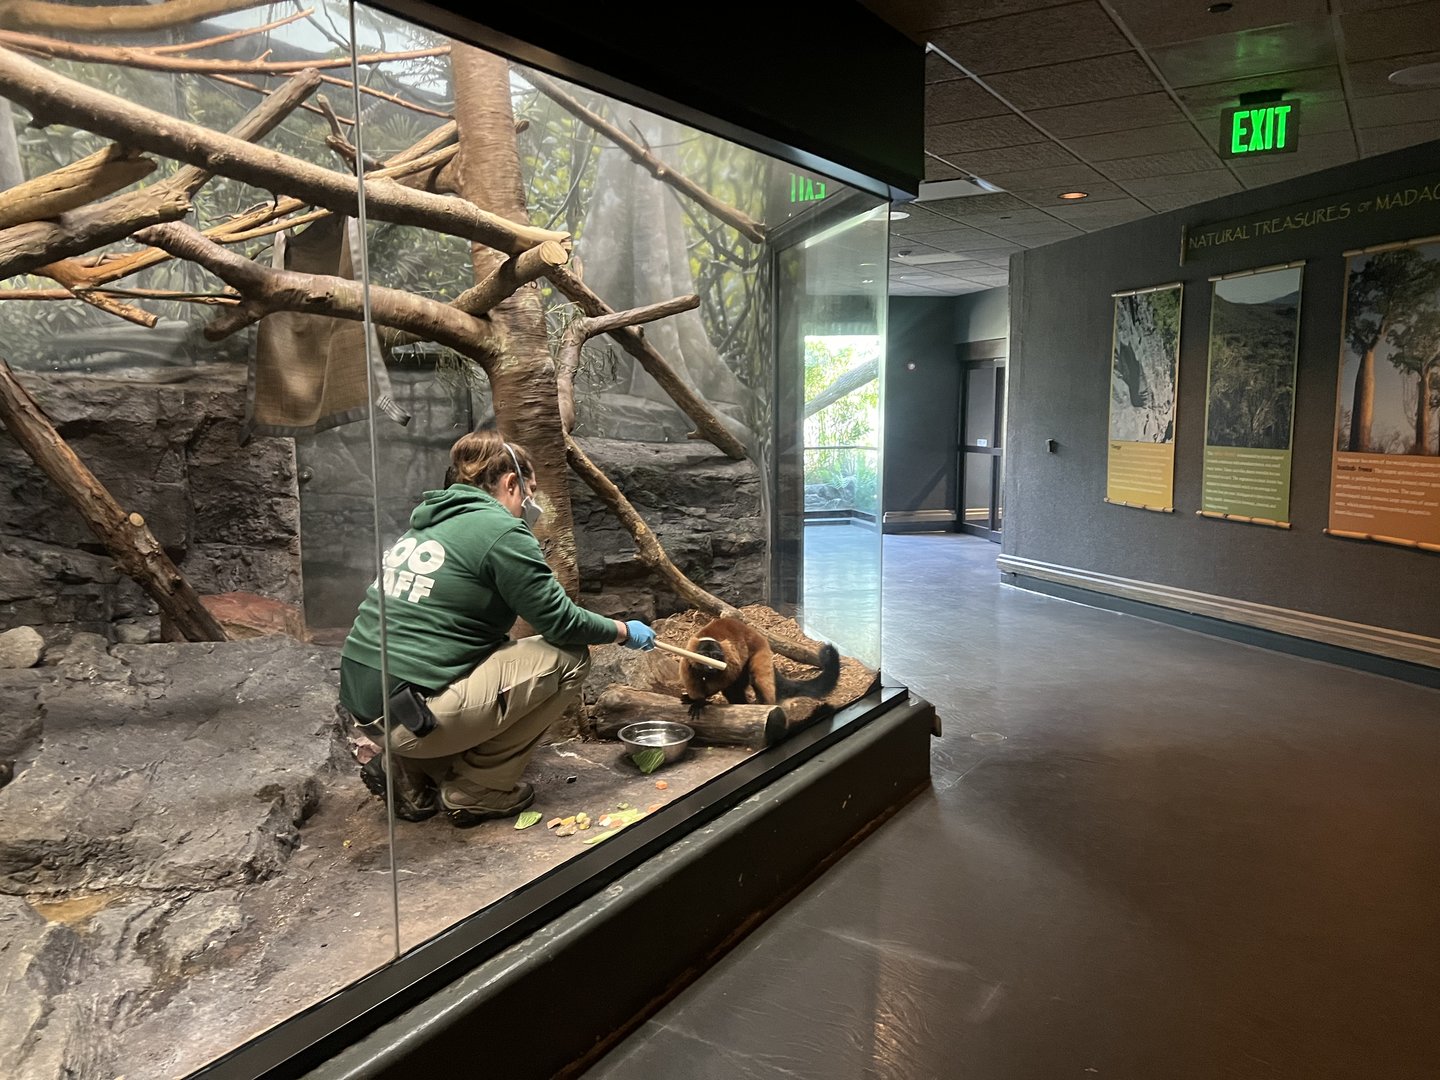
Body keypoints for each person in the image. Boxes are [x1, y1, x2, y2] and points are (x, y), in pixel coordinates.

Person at [339, 431, 656, 826]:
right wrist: (623, 630)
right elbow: (561, 622)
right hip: (411, 714)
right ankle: (477, 790)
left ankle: (407, 770)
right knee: (568, 658)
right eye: (531, 491)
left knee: (499, 649)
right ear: (511, 483)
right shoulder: (501, 531)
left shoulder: (429, 525)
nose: (532, 503)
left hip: (371, 704)